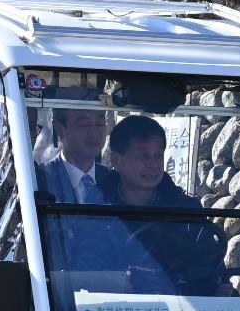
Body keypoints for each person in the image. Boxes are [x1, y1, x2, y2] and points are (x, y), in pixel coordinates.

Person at [99, 115, 232, 297]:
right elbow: (81, 269)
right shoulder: (93, 209)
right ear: (116, 160)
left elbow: (212, 268)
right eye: (143, 156)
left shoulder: (186, 210)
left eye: (158, 155)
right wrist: (111, 285)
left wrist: (222, 290)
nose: (153, 164)